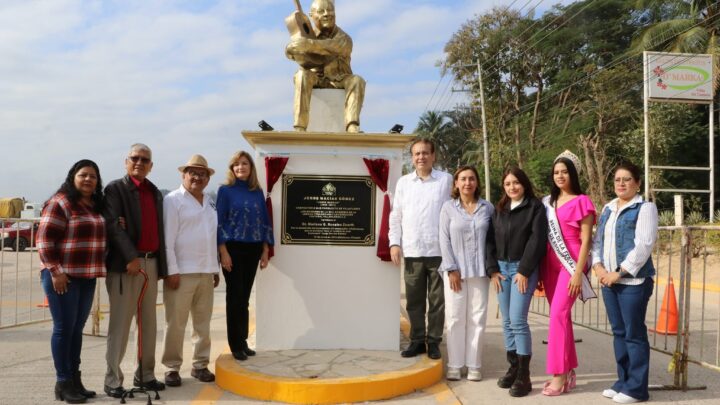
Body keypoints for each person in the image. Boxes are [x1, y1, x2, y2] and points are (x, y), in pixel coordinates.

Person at [37, 160, 106, 404]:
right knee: (64, 329)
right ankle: (63, 382)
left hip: (86, 276)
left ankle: (75, 380)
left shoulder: (94, 205)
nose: (88, 179)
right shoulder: (60, 202)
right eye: (83, 175)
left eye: (93, 176)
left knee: (76, 330)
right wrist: (56, 272)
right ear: (73, 177)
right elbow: (44, 241)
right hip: (63, 277)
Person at [103, 143, 168, 397]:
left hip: (151, 264)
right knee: (120, 325)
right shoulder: (115, 189)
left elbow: (159, 230)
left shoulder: (155, 192)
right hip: (126, 266)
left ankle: (146, 375)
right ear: (126, 161)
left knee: (149, 323)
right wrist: (131, 257)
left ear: (151, 166)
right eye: (135, 158)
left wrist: (162, 266)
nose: (139, 162)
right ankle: (112, 380)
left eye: (145, 159)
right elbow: (112, 225)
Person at [591, 162, 657, 404]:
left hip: (633, 282)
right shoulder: (608, 208)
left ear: (637, 183)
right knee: (619, 333)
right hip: (608, 281)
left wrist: (618, 273)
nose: (621, 183)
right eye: (618, 179)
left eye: (627, 179)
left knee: (634, 333)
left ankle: (637, 388)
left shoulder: (645, 207)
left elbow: (644, 245)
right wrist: (598, 268)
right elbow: (597, 241)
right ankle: (624, 380)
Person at [388, 138, 453, 360]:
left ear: (433, 156)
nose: (421, 157)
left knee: (437, 301)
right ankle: (417, 341)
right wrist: (394, 242)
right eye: (417, 153)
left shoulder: (445, 180)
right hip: (413, 251)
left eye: (425, 153)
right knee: (414, 302)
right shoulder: (404, 183)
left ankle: (434, 341)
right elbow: (396, 215)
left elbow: (453, 213)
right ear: (412, 157)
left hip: (439, 251)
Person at [161, 155, 220, 387]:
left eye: (202, 173)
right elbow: (168, 239)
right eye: (192, 172)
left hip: (206, 271)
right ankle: (172, 368)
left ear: (207, 178)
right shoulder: (173, 200)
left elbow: (211, 236)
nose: (197, 177)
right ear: (183, 175)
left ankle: (200, 365)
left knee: (203, 324)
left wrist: (214, 269)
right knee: (175, 323)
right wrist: (171, 271)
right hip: (181, 272)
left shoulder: (210, 201)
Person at [487, 166, 547, 396]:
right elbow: (489, 240)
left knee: (517, 319)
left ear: (524, 183)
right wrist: (492, 269)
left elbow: (537, 240)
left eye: (516, 183)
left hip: (524, 270)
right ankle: (513, 368)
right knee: (506, 321)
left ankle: (524, 375)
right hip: (501, 270)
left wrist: (524, 270)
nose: (512, 187)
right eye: (508, 184)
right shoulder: (499, 209)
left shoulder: (535, 207)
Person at [540, 150, 596, 396]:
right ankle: (570, 368)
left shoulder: (583, 201)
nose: (560, 176)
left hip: (571, 261)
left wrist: (577, 273)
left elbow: (586, 241)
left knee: (558, 315)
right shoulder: (547, 203)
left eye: (564, 171)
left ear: (573, 173)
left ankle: (559, 375)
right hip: (548, 262)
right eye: (556, 172)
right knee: (561, 318)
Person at [438, 166, 494, 381]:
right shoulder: (448, 208)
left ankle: (474, 365)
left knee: (477, 319)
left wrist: (493, 269)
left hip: (480, 272)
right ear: (456, 184)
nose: (467, 183)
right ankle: (455, 364)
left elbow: (492, 240)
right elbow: (443, 239)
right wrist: (451, 268)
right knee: (454, 318)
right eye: (463, 179)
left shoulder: (487, 208)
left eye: (471, 178)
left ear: (477, 182)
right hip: (455, 273)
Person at [217, 151, 274, 360]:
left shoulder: (257, 191)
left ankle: (242, 341)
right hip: (232, 249)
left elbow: (264, 221)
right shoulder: (225, 191)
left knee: (245, 299)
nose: (241, 167)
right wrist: (223, 252)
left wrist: (266, 249)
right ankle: (235, 345)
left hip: (253, 249)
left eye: (245, 164)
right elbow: (220, 222)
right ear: (232, 168)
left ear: (251, 168)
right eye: (237, 164)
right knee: (234, 298)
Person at [285, 0, 366, 132]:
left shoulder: (344, 38)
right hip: (315, 78)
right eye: (321, 11)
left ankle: (352, 124)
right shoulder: (308, 34)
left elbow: (331, 47)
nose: (327, 14)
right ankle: (300, 126)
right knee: (301, 75)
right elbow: (290, 50)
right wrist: (291, 49)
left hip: (339, 79)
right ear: (311, 15)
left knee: (357, 80)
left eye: (330, 10)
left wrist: (308, 44)